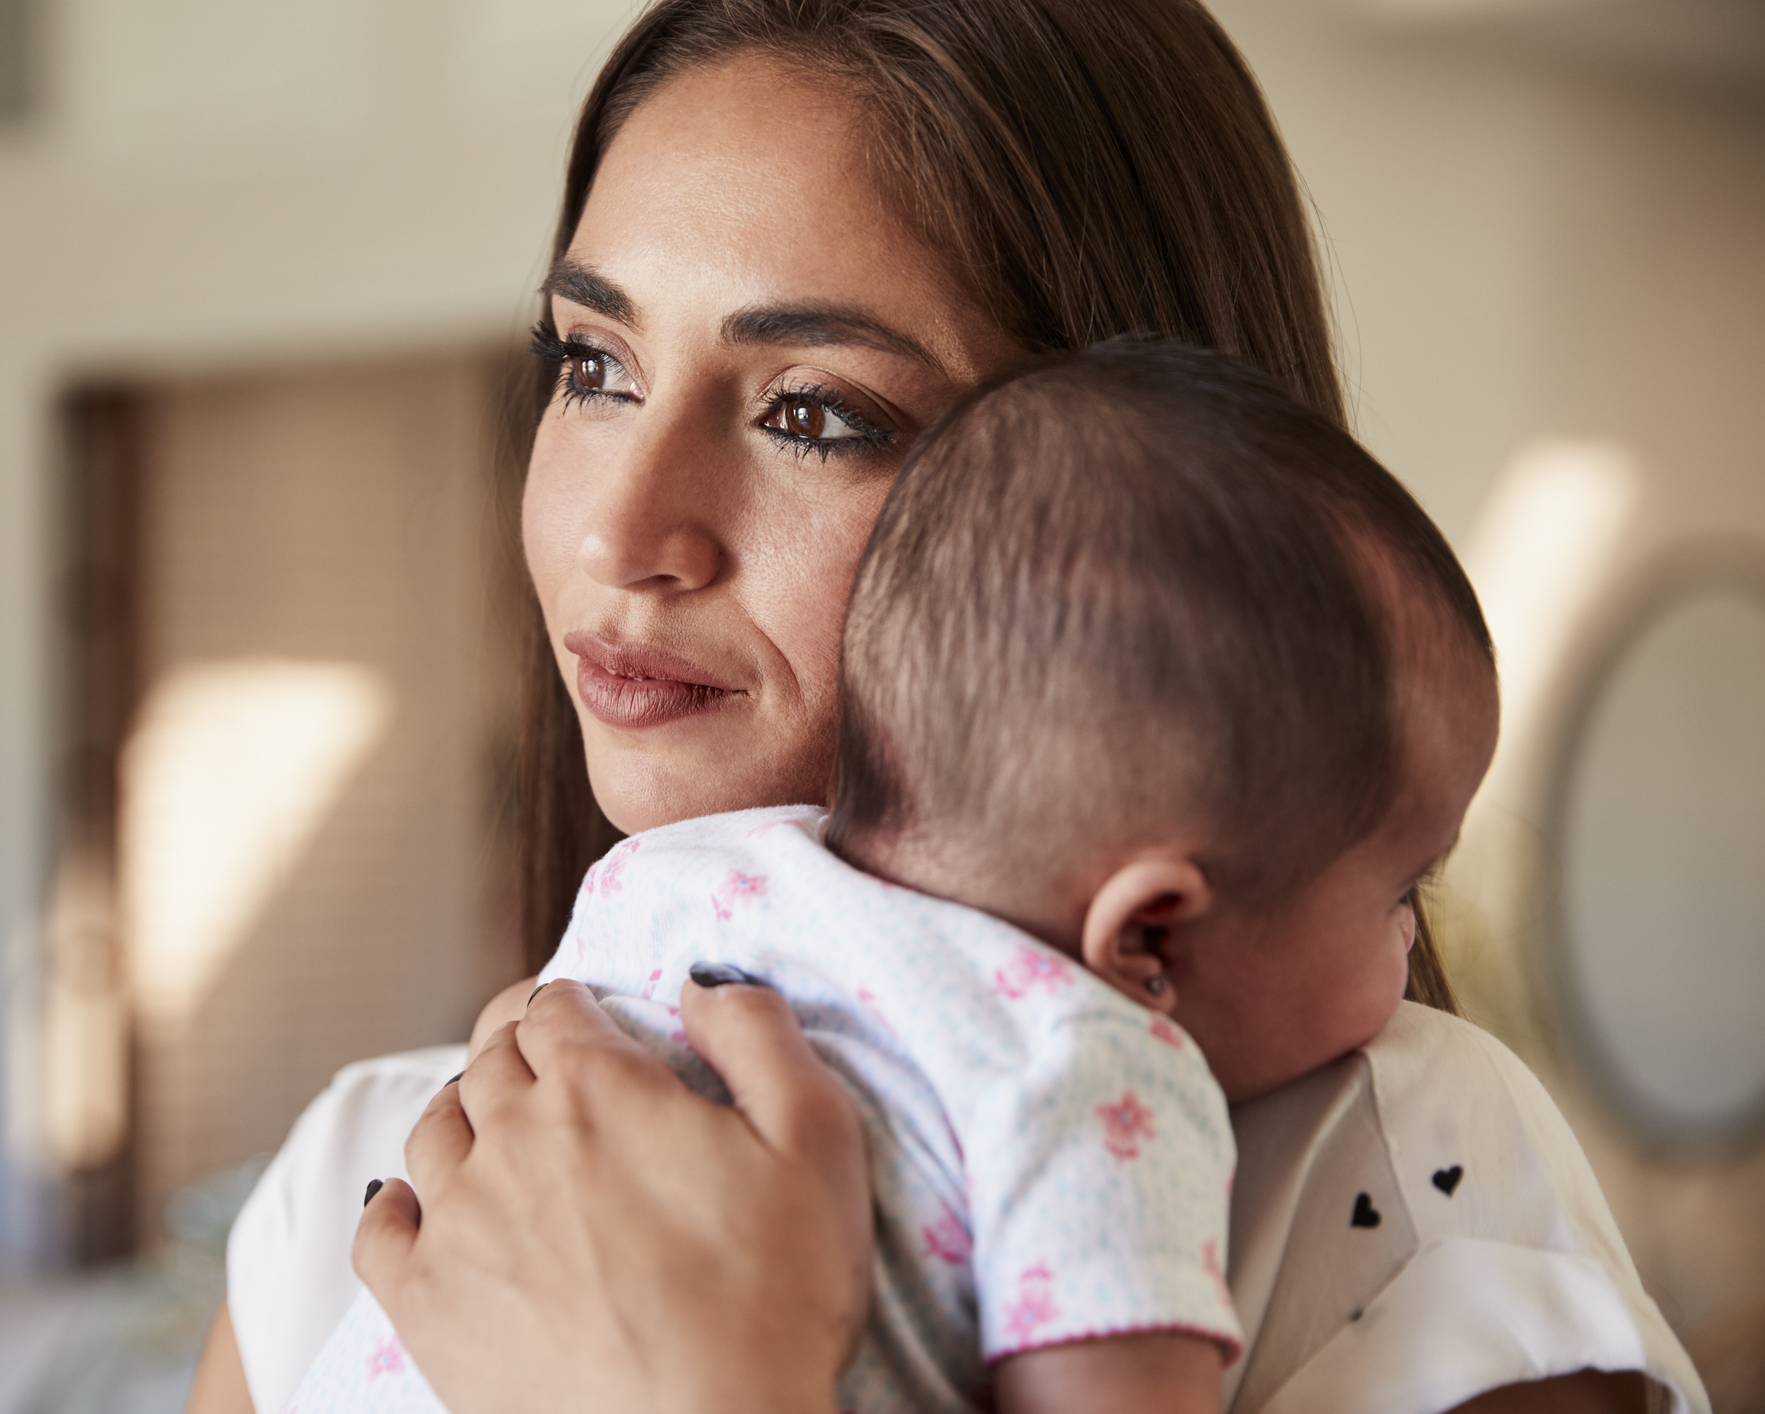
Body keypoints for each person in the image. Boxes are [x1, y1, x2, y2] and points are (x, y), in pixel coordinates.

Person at [183, 3, 1704, 1412]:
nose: (620, 534)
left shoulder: (1414, 1185)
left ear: (1150, 509)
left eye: (813, 413)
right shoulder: (351, 1186)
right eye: (593, 364)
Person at [286, 342, 1503, 1414]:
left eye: (812, 412)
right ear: (1150, 938)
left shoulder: (683, 875)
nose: (619, 533)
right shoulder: (1095, 1073)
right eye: (1403, 890)